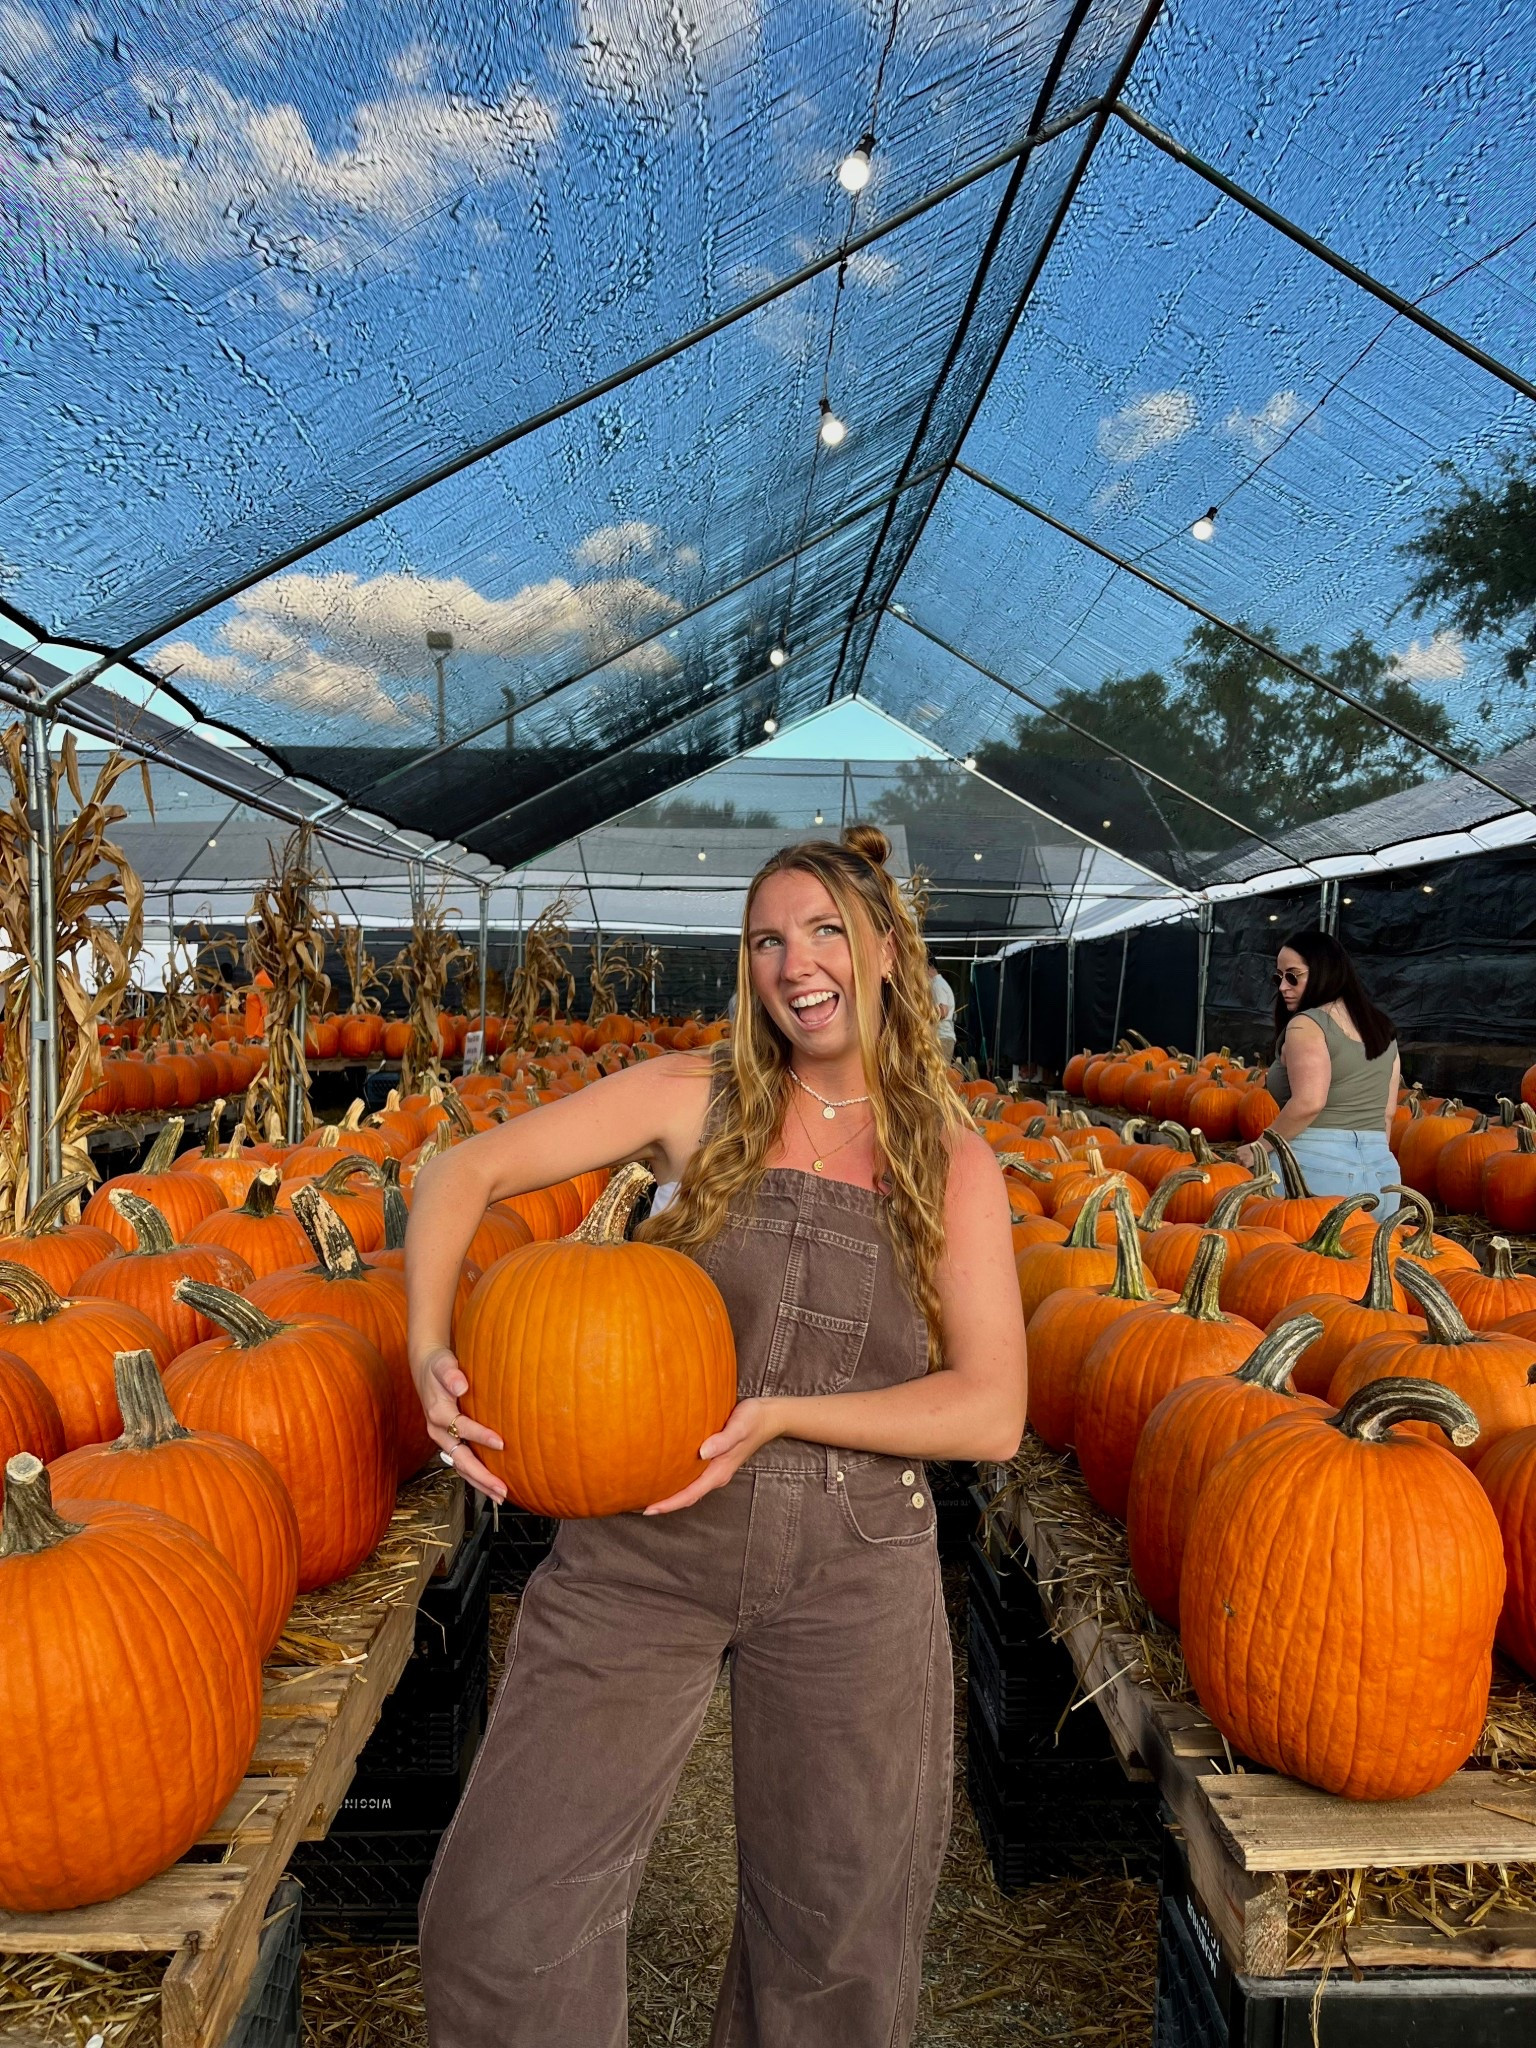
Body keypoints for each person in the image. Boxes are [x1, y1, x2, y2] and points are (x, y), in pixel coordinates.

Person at [405, 823, 1027, 2048]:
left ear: (889, 951)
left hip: (854, 1569)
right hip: (645, 1550)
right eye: (766, 940)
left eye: (824, 931)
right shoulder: (695, 1098)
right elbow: (458, 1172)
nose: (795, 961)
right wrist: (429, 1346)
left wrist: (784, 1414)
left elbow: (991, 1411)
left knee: (835, 1949)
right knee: (497, 1918)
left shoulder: (951, 1161)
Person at [1234, 927, 1401, 1202]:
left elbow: (1309, 1102)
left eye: (1293, 976)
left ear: (1324, 971)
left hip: (1314, 1167)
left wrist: (1260, 1148)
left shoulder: (1307, 1024)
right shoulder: (1382, 1028)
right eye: (1278, 977)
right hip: (1383, 1174)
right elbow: (1388, 1113)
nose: (1283, 987)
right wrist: (1369, 1161)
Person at [929, 958, 956, 1062]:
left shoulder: (937, 985)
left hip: (942, 1038)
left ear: (928, 967)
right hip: (943, 1038)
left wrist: (922, 1013)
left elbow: (943, 1011)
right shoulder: (939, 984)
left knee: (938, 1076)